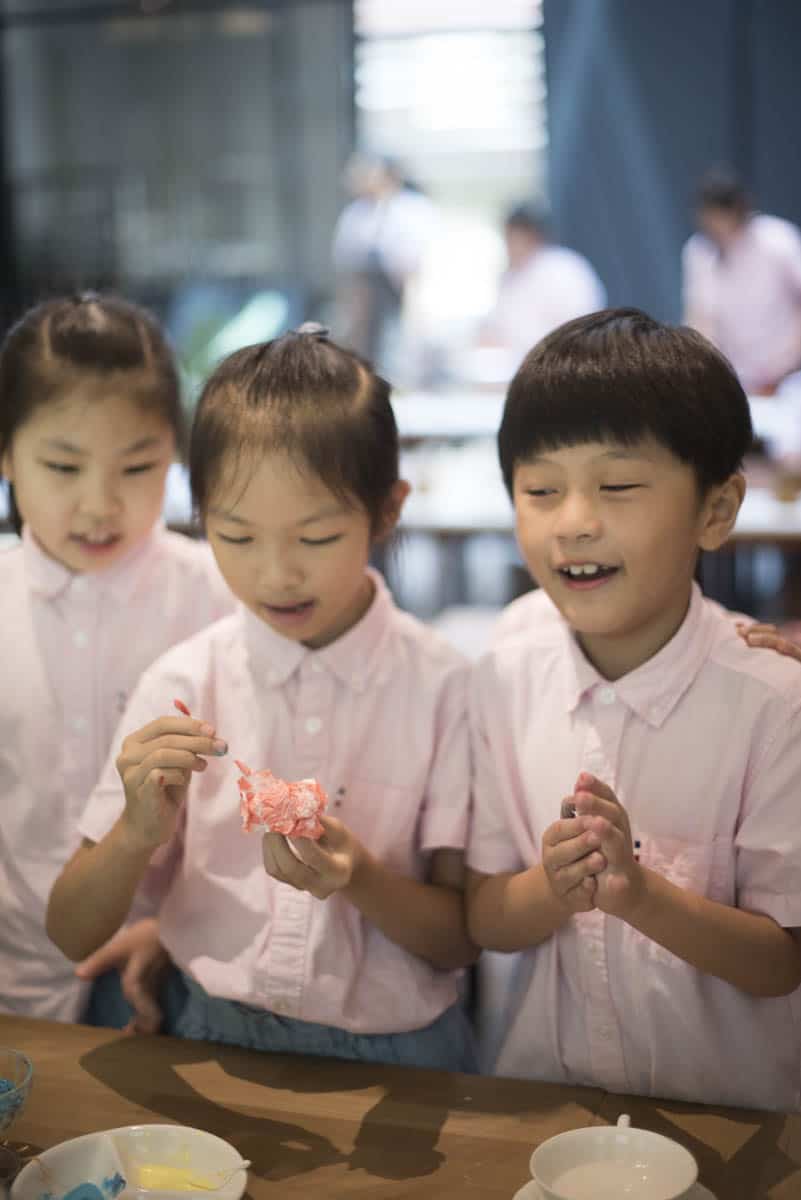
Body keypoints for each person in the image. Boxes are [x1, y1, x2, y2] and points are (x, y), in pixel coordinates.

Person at [47, 324, 478, 1071]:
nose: (276, 575)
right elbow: (70, 932)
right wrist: (136, 832)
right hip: (209, 1034)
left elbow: (461, 938)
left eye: (315, 539)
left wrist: (360, 876)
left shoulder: (444, 687)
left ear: (387, 510)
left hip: (404, 1058)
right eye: (237, 537)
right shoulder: (184, 686)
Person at [465, 308, 801, 1111]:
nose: (574, 521)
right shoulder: (502, 676)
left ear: (714, 510)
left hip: (731, 1126)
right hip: (541, 1112)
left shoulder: (770, 705)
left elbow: (781, 960)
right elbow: (481, 915)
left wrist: (640, 896)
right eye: (540, 490)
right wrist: (551, 888)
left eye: (616, 487)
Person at [0, 293, 234, 1026]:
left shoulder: (221, 596)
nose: (100, 505)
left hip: (174, 983)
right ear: (6, 454)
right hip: (14, 982)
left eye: (137, 467)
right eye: (62, 467)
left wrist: (170, 927)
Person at [682, 168, 801, 395]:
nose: (717, 226)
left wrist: (788, 363)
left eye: (721, 216)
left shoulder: (777, 238)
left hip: (791, 374)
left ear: (738, 209)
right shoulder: (698, 251)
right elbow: (700, 318)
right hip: (740, 382)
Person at [332, 152, 437, 377]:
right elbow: (346, 256)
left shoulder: (413, 208)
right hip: (366, 291)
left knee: (403, 343)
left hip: (405, 285)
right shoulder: (356, 213)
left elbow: (419, 254)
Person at [479, 202, 606, 375]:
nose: (510, 247)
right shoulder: (510, 276)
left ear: (534, 237)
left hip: (561, 369)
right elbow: (499, 325)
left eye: (515, 238)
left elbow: (581, 328)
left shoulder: (563, 268)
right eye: (507, 239)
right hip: (516, 369)